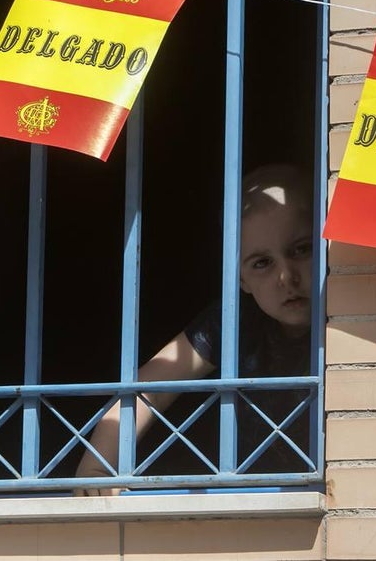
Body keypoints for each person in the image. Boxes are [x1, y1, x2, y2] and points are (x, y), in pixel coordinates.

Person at [73, 163, 315, 496]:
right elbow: (148, 390)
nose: (286, 276)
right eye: (262, 263)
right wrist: (96, 468)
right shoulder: (234, 320)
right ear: (240, 279)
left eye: (302, 249)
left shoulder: (351, 317)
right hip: (254, 502)